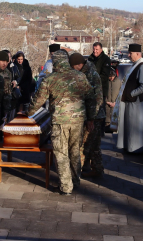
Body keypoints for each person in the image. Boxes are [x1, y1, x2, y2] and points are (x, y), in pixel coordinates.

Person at [28, 50, 95, 195]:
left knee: (61, 153)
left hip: (60, 122)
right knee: (75, 151)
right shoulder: (80, 76)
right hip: (78, 121)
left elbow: (38, 101)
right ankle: (75, 181)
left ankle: (66, 186)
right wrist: (90, 118)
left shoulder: (50, 79)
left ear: (55, 62)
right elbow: (91, 97)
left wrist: (27, 112)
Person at [69, 53, 105, 178]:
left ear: (79, 64)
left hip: (94, 115)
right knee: (94, 144)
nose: (73, 69)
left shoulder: (91, 74)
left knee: (84, 145)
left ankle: (76, 173)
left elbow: (97, 98)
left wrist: (91, 119)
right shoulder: (86, 72)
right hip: (92, 115)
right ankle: (98, 170)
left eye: (74, 66)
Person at [112, 43, 143, 153]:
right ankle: (130, 147)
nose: (128, 55)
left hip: (136, 103)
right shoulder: (135, 64)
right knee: (130, 126)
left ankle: (135, 149)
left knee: (135, 127)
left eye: (130, 53)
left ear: (137, 54)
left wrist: (132, 94)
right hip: (131, 101)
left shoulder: (142, 66)